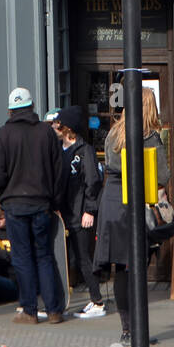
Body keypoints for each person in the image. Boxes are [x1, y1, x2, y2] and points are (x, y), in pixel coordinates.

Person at [0, 86, 65, 325]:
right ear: (32, 107)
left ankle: (30, 310)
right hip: (42, 203)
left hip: (15, 205)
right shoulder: (46, 132)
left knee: (22, 257)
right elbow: (59, 171)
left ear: (11, 111)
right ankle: (53, 310)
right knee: (44, 255)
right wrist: (54, 201)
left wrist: (3, 195)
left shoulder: (2, 135)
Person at [96, 88, 167, 342]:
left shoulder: (113, 134)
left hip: (113, 202)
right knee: (136, 267)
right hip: (137, 202)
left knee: (121, 269)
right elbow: (162, 178)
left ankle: (126, 330)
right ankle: (139, 332)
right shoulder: (151, 137)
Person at [55, 106, 105, 319]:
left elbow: (92, 182)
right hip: (64, 214)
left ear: (68, 128)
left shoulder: (85, 151)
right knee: (70, 259)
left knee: (85, 258)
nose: (55, 127)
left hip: (80, 213)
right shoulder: (59, 149)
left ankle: (98, 301)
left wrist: (90, 210)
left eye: (59, 124)